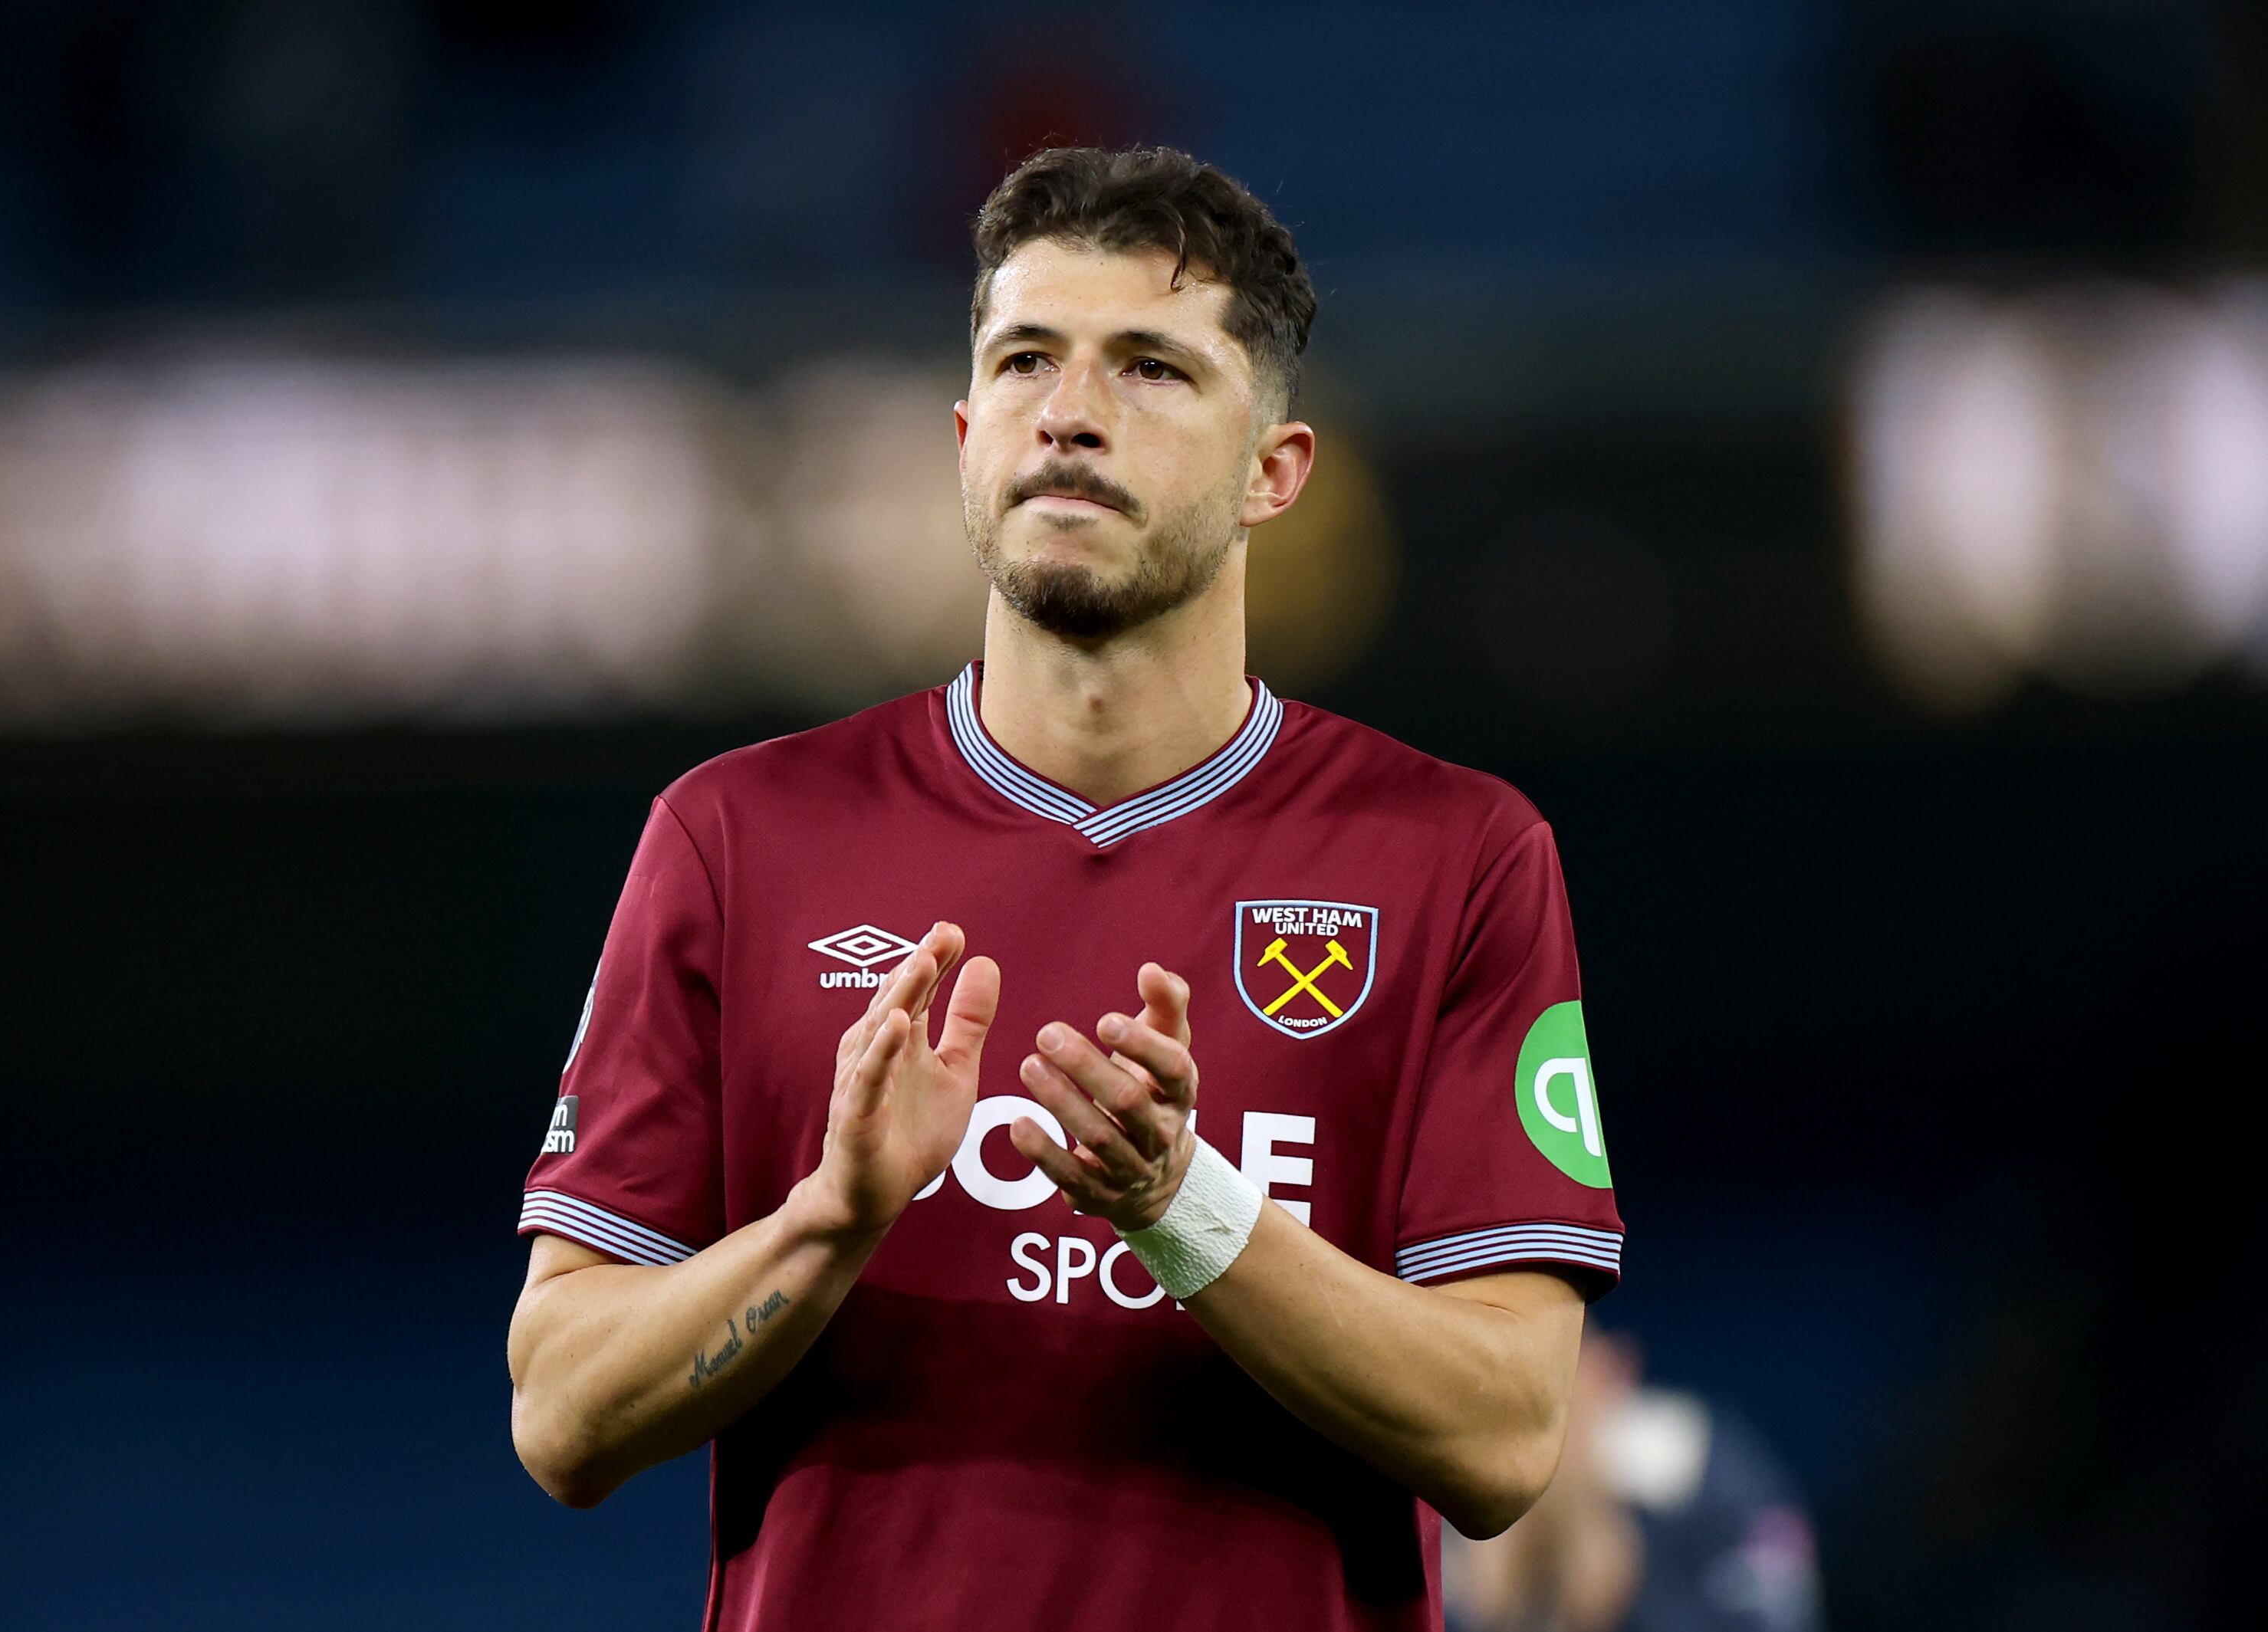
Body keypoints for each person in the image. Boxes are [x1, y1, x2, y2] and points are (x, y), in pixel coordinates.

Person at [505, 145, 1625, 1632]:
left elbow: (1503, 1439)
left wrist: (1186, 1207)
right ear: (968, 433)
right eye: (1027, 358)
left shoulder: (1455, 853)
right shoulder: (736, 834)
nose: (1071, 412)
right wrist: (830, 1219)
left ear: (1273, 472)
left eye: (1152, 368)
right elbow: (565, 1416)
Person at [1444, 1332, 1822, 1632]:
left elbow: (1773, 1615)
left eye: (1568, 1381)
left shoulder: (1703, 1468)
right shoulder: (1437, 1479)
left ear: (1613, 1369)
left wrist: (1636, 1587)